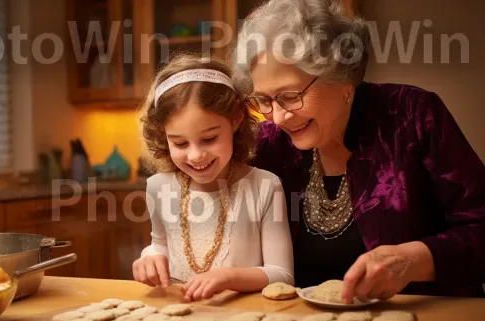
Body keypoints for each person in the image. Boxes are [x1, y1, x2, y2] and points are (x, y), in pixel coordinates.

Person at [232, 0, 485, 302]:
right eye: (264, 100)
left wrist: (415, 261)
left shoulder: (412, 116)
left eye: (290, 95)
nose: (279, 116)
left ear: (342, 77)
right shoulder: (271, 145)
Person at [132, 55, 295, 302]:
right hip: (179, 318)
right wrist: (149, 255)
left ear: (236, 119)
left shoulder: (265, 187)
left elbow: (282, 275)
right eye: (179, 143)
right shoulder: (158, 188)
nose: (196, 155)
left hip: (244, 319)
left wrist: (228, 277)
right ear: (162, 135)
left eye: (209, 139)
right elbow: (161, 244)